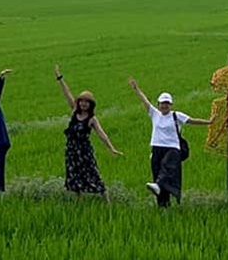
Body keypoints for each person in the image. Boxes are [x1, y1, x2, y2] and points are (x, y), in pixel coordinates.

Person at [128, 78, 214, 207]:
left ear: (171, 105)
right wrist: (136, 89)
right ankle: (163, 206)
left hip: (172, 148)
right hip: (157, 148)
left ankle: (158, 186)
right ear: (158, 104)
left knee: (166, 168)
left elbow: (192, 121)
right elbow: (144, 101)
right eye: (162, 103)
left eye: (167, 103)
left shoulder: (176, 115)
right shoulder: (154, 114)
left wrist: (208, 122)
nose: (164, 106)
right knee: (157, 175)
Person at [54, 64, 121, 200]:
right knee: (74, 175)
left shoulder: (91, 119)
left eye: (86, 102)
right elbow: (67, 93)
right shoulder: (74, 111)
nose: (83, 104)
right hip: (72, 150)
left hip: (84, 151)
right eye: (81, 101)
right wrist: (59, 78)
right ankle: (79, 200)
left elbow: (102, 134)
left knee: (92, 173)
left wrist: (111, 148)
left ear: (91, 105)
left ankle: (105, 198)